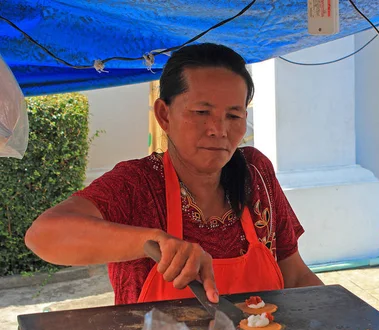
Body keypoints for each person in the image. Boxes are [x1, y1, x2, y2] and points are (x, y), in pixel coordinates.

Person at [25, 43, 323, 305]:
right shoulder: (136, 183)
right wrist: (152, 242)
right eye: (201, 112)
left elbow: (295, 277)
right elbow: (43, 236)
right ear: (164, 115)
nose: (219, 130)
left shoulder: (256, 173)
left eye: (233, 116)